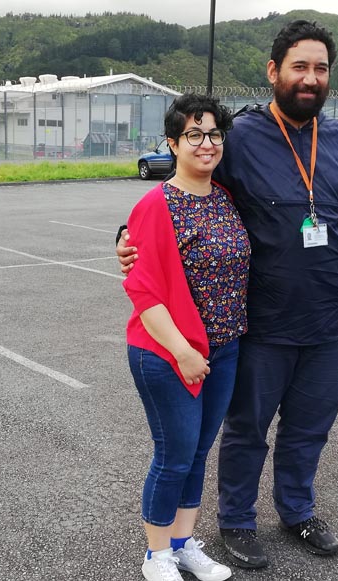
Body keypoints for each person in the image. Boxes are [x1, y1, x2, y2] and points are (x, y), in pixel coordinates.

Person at [118, 20, 338, 569]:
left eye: (320, 69)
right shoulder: (242, 138)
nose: (310, 78)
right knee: (247, 428)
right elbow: (185, 188)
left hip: (328, 319)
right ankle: (237, 521)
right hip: (262, 321)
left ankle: (297, 510)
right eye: (299, 66)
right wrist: (126, 236)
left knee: (310, 425)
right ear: (274, 71)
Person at [123, 93, 250, 581]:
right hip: (166, 352)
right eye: (194, 134)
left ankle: (182, 543)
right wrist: (181, 351)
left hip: (224, 348)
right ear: (173, 143)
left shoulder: (225, 198)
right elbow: (144, 290)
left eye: (214, 134)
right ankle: (156, 555)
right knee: (173, 453)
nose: (206, 143)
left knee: (198, 452)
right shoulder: (157, 204)